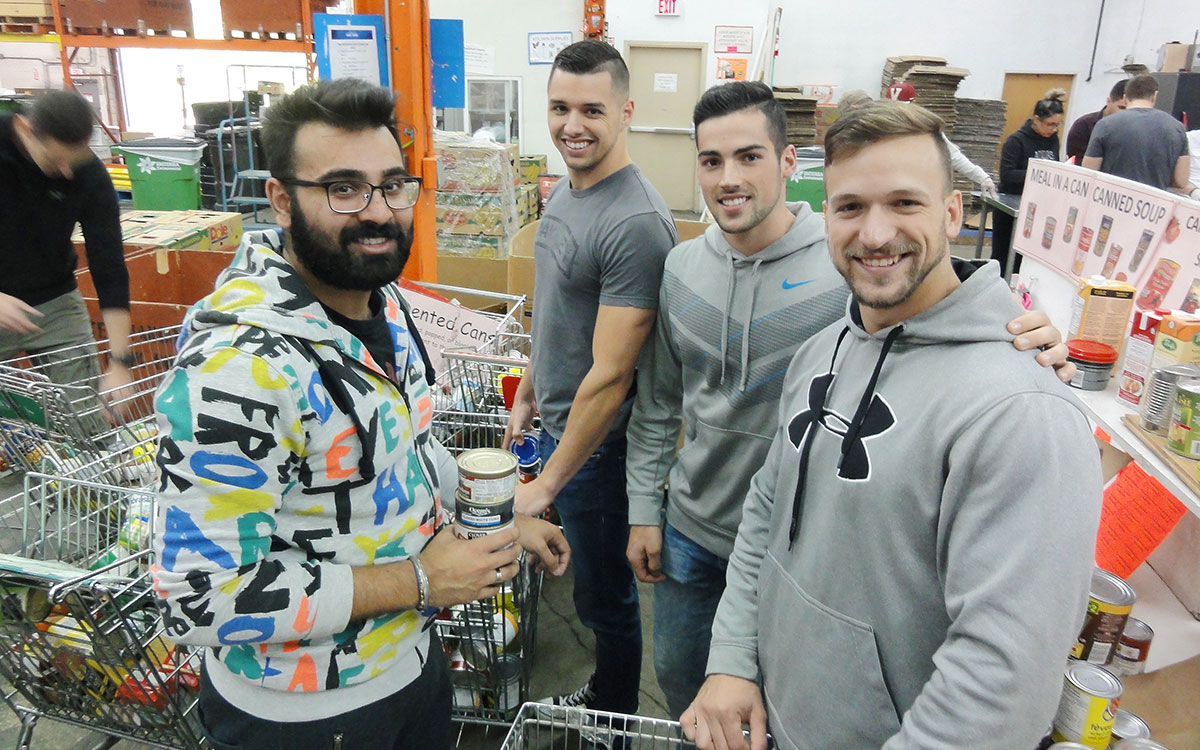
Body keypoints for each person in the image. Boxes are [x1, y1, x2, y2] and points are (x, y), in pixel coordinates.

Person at [626, 82, 1081, 721]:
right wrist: (732, 656)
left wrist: (1018, 341)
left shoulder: (1021, 409)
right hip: (733, 601)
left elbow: (1000, 683)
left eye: (904, 202)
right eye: (851, 206)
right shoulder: (828, 347)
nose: (874, 233)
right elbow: (767, 497)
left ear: (952, 213)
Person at [151, 79, 569, 750]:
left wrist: (502, 517)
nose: (377, 212)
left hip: (411, 669)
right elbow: (199, 594)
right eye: (343, 188)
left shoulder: (384, 305)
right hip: (301, 714)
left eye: (392, 185)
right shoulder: (237, 365)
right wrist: (423, 579)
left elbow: (405, 452)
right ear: (283, 201)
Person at [502, 39, 678, 715]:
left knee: (606, 597)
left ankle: (615, 719)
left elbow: (610, 376)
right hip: (554, 422)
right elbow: (559, 311)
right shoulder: (569, 192)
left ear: (626, 112)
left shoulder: (633, 221)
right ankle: (606, 698)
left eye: (591, 110)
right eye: (559, 107)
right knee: (585, 584)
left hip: (598, 447)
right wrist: (528, 387)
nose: (572, 125)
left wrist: (548, 480)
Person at [0, 89, 134, 430]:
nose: (67, 172)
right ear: (25, 129)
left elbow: (109, 266)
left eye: (73, 161)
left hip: (55, 302)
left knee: (89, 424)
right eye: (55, 161)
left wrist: (120, 362)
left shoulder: (87, 173)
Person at [879, 83, 998, 198]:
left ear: (913, 104)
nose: (898, 111)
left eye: (902, 106)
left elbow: (952, 155)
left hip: (915, 191)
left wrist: (981, 177)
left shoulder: (925, 127)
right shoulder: (877, 128)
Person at [995, 89, 1066, 274]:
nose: (1054, 129)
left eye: (1058, 125)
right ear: (1036, 119)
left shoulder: (1053, 140)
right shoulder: (1016, 141)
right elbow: (1007, 175)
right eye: (1050, 124)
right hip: (1011, 205)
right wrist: (1038, 173)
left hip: (1039, 205)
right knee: (1004, 258)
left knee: (1028, 260)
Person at [1083, 74, 1190, 193]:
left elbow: (1089, 171)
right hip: (1154, 204)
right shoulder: (1177, 128)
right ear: (1154, 96)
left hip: (1111, 200)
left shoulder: (1105, 124)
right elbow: (1181, 181)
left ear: (1125, 97)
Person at [1065, 78, 1127, 165]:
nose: (1126, 113)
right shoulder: (1083, 125)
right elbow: (1076, 162)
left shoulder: (1134, 129)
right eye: (1121, 108)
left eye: (1130, 109)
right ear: (1109, 101)